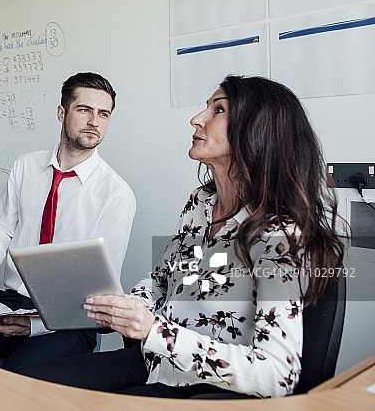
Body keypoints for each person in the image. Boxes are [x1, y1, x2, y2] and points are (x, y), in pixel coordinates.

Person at [18, 75, 345, 398]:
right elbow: (165, 280)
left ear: (257, 131)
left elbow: (276, 375)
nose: (197, 119)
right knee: (24, 388)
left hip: (206, 385)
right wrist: (126, 306)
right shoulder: (200, 204)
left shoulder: (278, 234)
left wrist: (153, 330)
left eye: (218, 110)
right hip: (154, 362)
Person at [0, 72, 136, 371]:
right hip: (11, 301)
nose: (94, 122)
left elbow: (99, 289)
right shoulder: (26, 166)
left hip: (68, 319)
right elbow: (2, 227)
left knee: (17, 382)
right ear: (62, 112)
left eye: (104, 114)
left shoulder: (116, 194)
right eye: (84, 110)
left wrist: (36, 326)